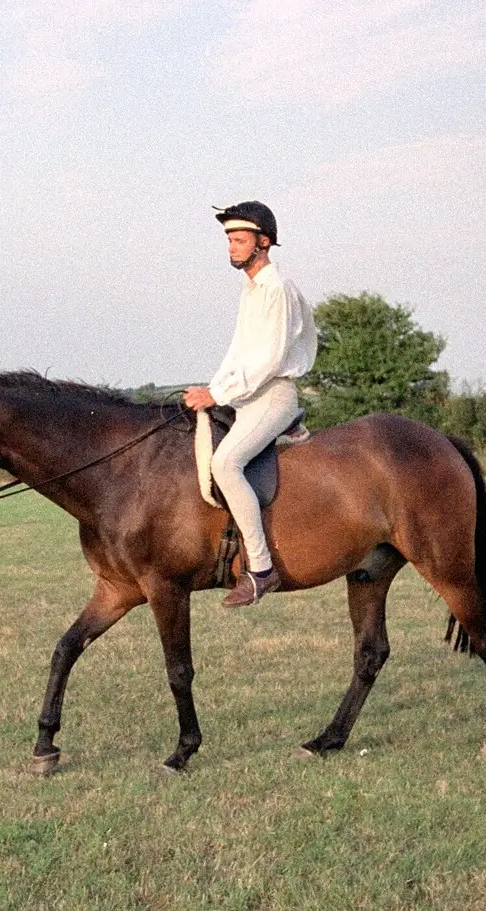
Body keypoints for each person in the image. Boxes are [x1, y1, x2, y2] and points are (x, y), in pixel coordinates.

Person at [183, 201, 318, 607]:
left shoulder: (275, 289)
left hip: (273, 393)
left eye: (239, 240)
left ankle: (261, 569)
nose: (231, 247)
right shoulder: (251, 289)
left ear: (264, 243)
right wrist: (211, 389)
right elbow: (239, 353)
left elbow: (269, 360)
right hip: (250, 394)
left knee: (226, 463)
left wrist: (219, 395)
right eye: (228, 240)